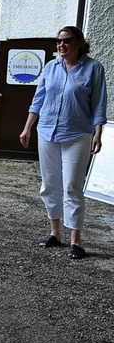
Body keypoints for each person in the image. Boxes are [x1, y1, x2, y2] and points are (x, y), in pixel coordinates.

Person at [20, 26, 107, 260]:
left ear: (78, 42)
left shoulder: (93, 68)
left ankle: (76, 240)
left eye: (66, 41)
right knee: (49, 185)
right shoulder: (50, 67)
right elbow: (38, 99)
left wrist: (98, 133)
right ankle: (54, 232)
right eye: (58, 41)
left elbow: (99, 104)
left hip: (78, 134)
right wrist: (28, 127)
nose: (61, 45)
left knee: (72, 187)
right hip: (47, 131)